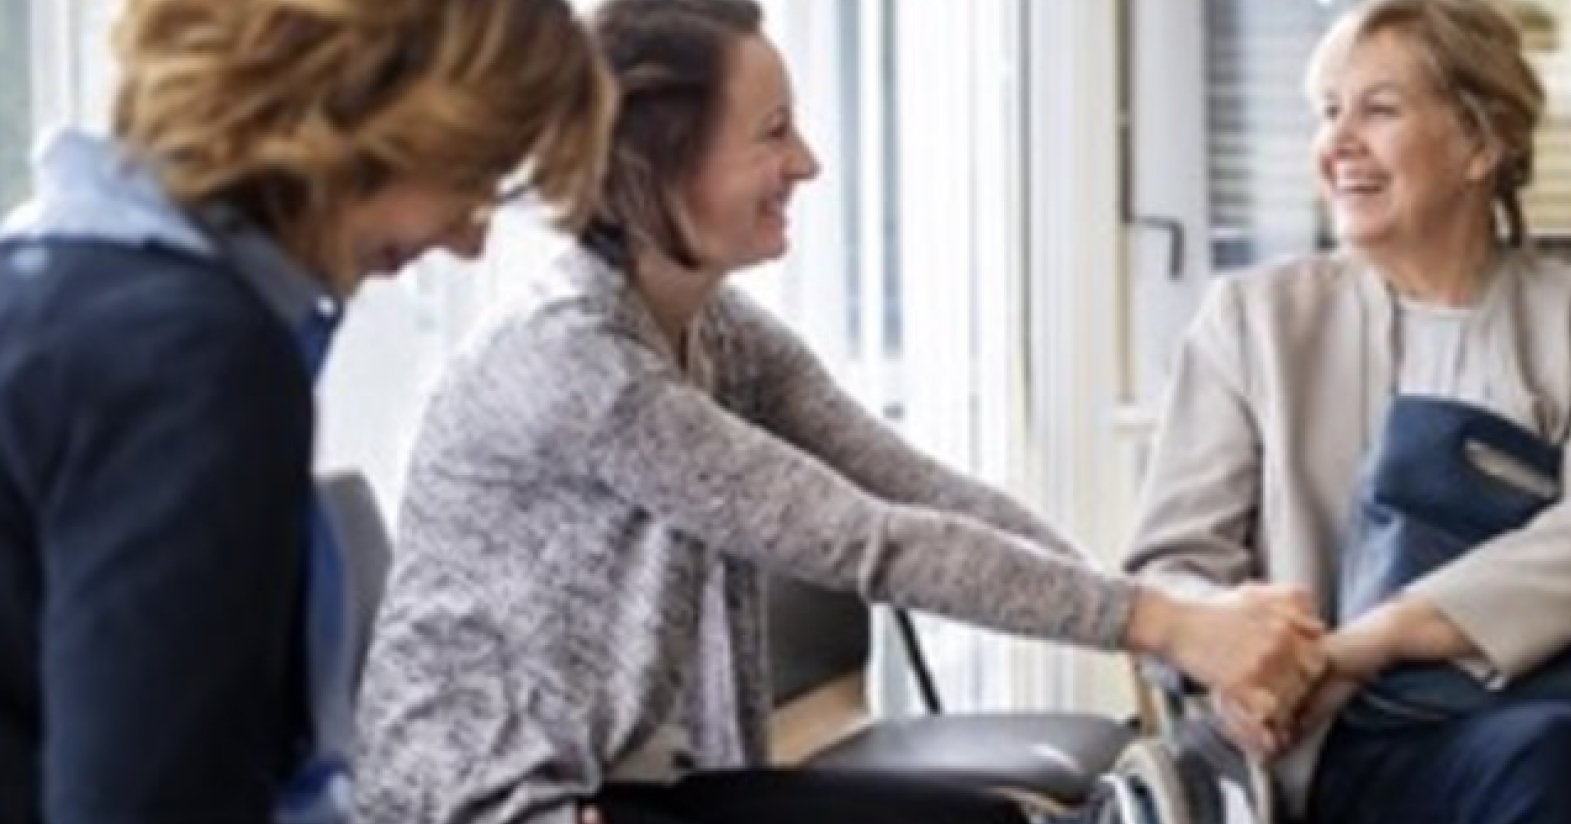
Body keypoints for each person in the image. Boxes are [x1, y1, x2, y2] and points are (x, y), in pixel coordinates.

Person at [351, 1, 1326, 823]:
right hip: (487, 799)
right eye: (772, 132)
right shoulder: (578, 360)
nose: (808, 162)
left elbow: (914, 487)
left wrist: (1180, 633)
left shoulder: (719, 331)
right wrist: (1167, 625)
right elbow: (870, 542)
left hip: (614, 780)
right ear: (661, 162)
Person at [1123, 1, 1571, 823]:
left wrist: (1370, 642)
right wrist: (1229, 656)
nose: (1338, 143)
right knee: (1551, 755)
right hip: (1349, 740)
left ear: (1483, 141)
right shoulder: (1252, 320)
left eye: (1379, 108)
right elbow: (1171, 567)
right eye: (1329, 112)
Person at [0, 1, 613, 821]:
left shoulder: (44, 286)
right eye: (471, 176)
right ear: (368, 115)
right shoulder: (193, 363)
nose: (468, 242)